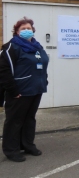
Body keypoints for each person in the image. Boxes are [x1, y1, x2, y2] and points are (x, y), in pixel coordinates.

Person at [0, 17, 49, 162]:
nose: (27, 31)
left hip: (36, 89)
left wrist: (44, 80)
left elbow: (42, 63)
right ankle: (11, 150)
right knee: (14, 121)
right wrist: (13, 90)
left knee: (29, 119)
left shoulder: (37, 46)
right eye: (23, 29)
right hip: (19, 92)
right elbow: (3, 70)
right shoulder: (11, 47)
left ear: (33, 30)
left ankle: (27, 145)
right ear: (16, 32)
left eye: (29, 28)